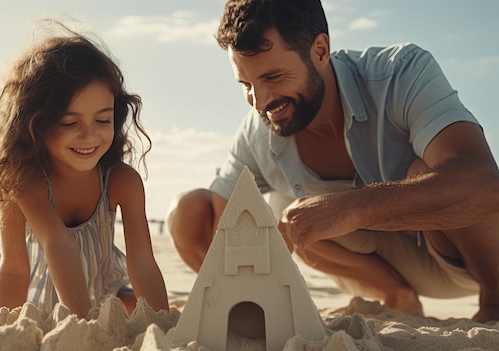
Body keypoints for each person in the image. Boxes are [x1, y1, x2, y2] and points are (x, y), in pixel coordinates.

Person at [167, 0, 499, 323]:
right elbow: (219, 229)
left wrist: (348, 209)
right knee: (191, 212)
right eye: (246, 84)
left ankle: (495, 300)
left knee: (427, 171)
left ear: (320, 51)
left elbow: (484, 186)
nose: (260, 102)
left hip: (465, 255)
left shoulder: (399, 74)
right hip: (381, 267)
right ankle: (397, 294)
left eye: (274, 77)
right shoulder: (256, 134)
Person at [0, 20, 169, 319]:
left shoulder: (122, 181)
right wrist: (80, 326)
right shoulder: (24, 181)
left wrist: (162, 322)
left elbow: (143, 263)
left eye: (103, 120)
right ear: (36, 123)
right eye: (70, 123)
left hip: (106, 294)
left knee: (133, 305)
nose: (90, 136)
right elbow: (26, 264)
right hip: (41, 303)